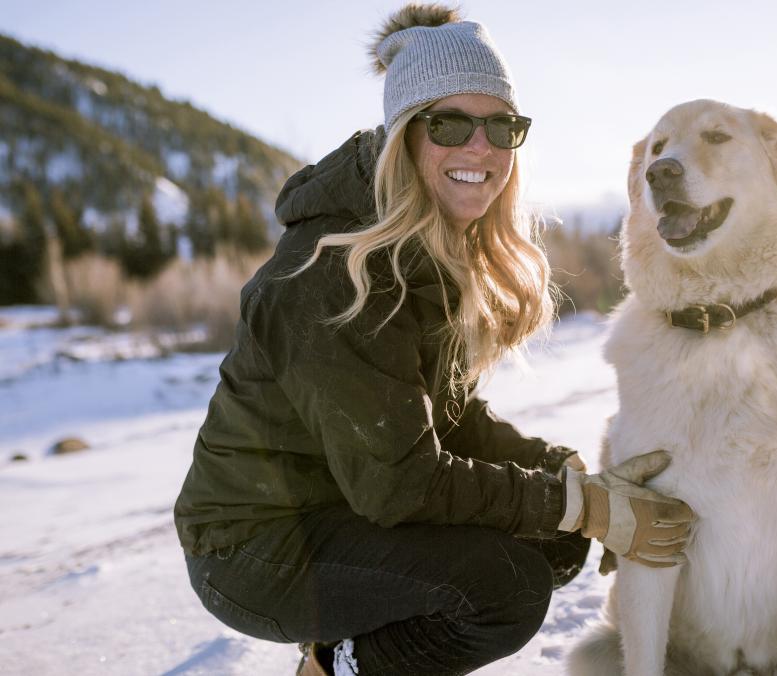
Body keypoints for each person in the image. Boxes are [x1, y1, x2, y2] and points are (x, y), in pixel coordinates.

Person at [173, 4, 694, 675]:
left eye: (502, 126)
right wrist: (582, 505)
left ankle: (345, 650)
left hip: (344, 503)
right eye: (450, 123)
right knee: (502, 588)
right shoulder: (334, 274)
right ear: (403, 137)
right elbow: (402, 484)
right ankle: (331, 668)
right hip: (253, 548)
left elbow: (448, 420)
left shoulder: (426, 244)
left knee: (550, 543)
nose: (481, 148)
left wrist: (566, 477)